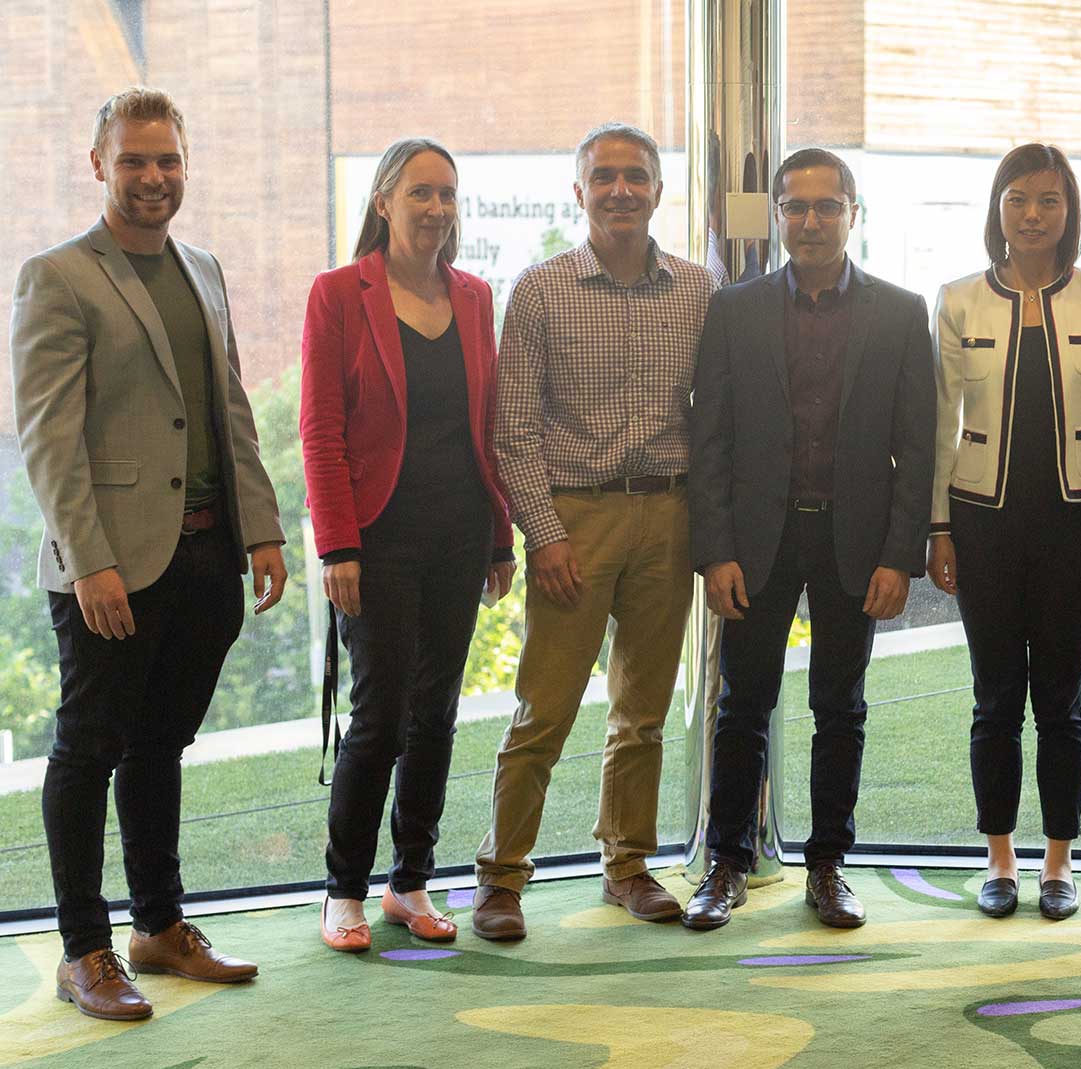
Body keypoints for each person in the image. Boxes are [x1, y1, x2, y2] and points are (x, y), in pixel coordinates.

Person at [10, 87, 287, 1020]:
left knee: (164, 745)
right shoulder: (58, 276)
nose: (153, 177)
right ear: (99, 166)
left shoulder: (203, 268)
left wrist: (262, 529)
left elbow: (229, 408)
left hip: (208, 556)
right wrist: (89, 563)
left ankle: (159, 928)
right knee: (90, 749)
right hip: (111, 566)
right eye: (133, 160)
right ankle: (85, 949)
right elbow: (47, 438)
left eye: (167, 159)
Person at [472, 123, 718, 940]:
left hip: (669, 516)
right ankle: (501, 878)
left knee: (642, 712)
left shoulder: (696, 290)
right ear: (578, 192)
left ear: (657, 190)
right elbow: (514, 431)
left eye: (636, 177)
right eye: (604, 177)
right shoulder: (540, 290)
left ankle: (628, 866)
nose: (621, 190)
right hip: (574, 522)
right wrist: (544, 535)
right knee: (545, 710)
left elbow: (711, 418)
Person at [684, 148, 935, 930]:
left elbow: (917, 445)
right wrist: (716, 549)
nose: (812, 221)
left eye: (829, 206)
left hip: (853, 544)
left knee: (841, 706)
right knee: (742, 706)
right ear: (779, 218)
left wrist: (901, 557)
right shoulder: (734, 309)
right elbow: (711, 441)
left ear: (854, 214)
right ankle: (726, 866)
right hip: (757, 542)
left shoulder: (900, 312)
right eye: (796, 207)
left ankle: (829, 867)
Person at [300, 138, 517, 952]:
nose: (435, 209)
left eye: (447, 196)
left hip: (459, 532)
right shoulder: (338, 293)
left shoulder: (473, 296)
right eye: (420, 193)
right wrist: (336, 547)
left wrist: (500, 538)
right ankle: (344, 888)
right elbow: (320, 430)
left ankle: (411, 882)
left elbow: (485, 429)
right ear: (384, 200)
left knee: (437, 714)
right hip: (375, 538)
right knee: (380, 716)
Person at [925, 144, 1081, 920]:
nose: (1033, 215)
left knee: (1062, 699)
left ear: (1069, 212)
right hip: (981, 519)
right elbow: (938, 422)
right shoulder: (955, 299)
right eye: (1018, 199)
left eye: (1049, 201)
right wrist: (938, 527)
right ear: (997, 209)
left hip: (1076, 522)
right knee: (993, 698)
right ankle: (1001, 860)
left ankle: (1059, 862)